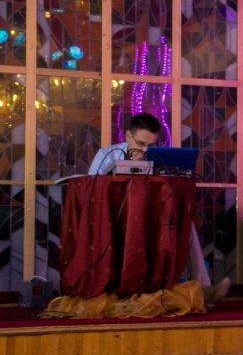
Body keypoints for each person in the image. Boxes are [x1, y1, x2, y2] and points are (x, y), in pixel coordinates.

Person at [88, 113, 230, 308]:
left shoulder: (158, 158)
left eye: (151, 145)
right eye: (141, 144)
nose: (145, 150)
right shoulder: (107, 154)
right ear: (128, 136)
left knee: (184, 225)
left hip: (152, 218)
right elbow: (92, 191)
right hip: (117, 220)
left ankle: (204, 291)